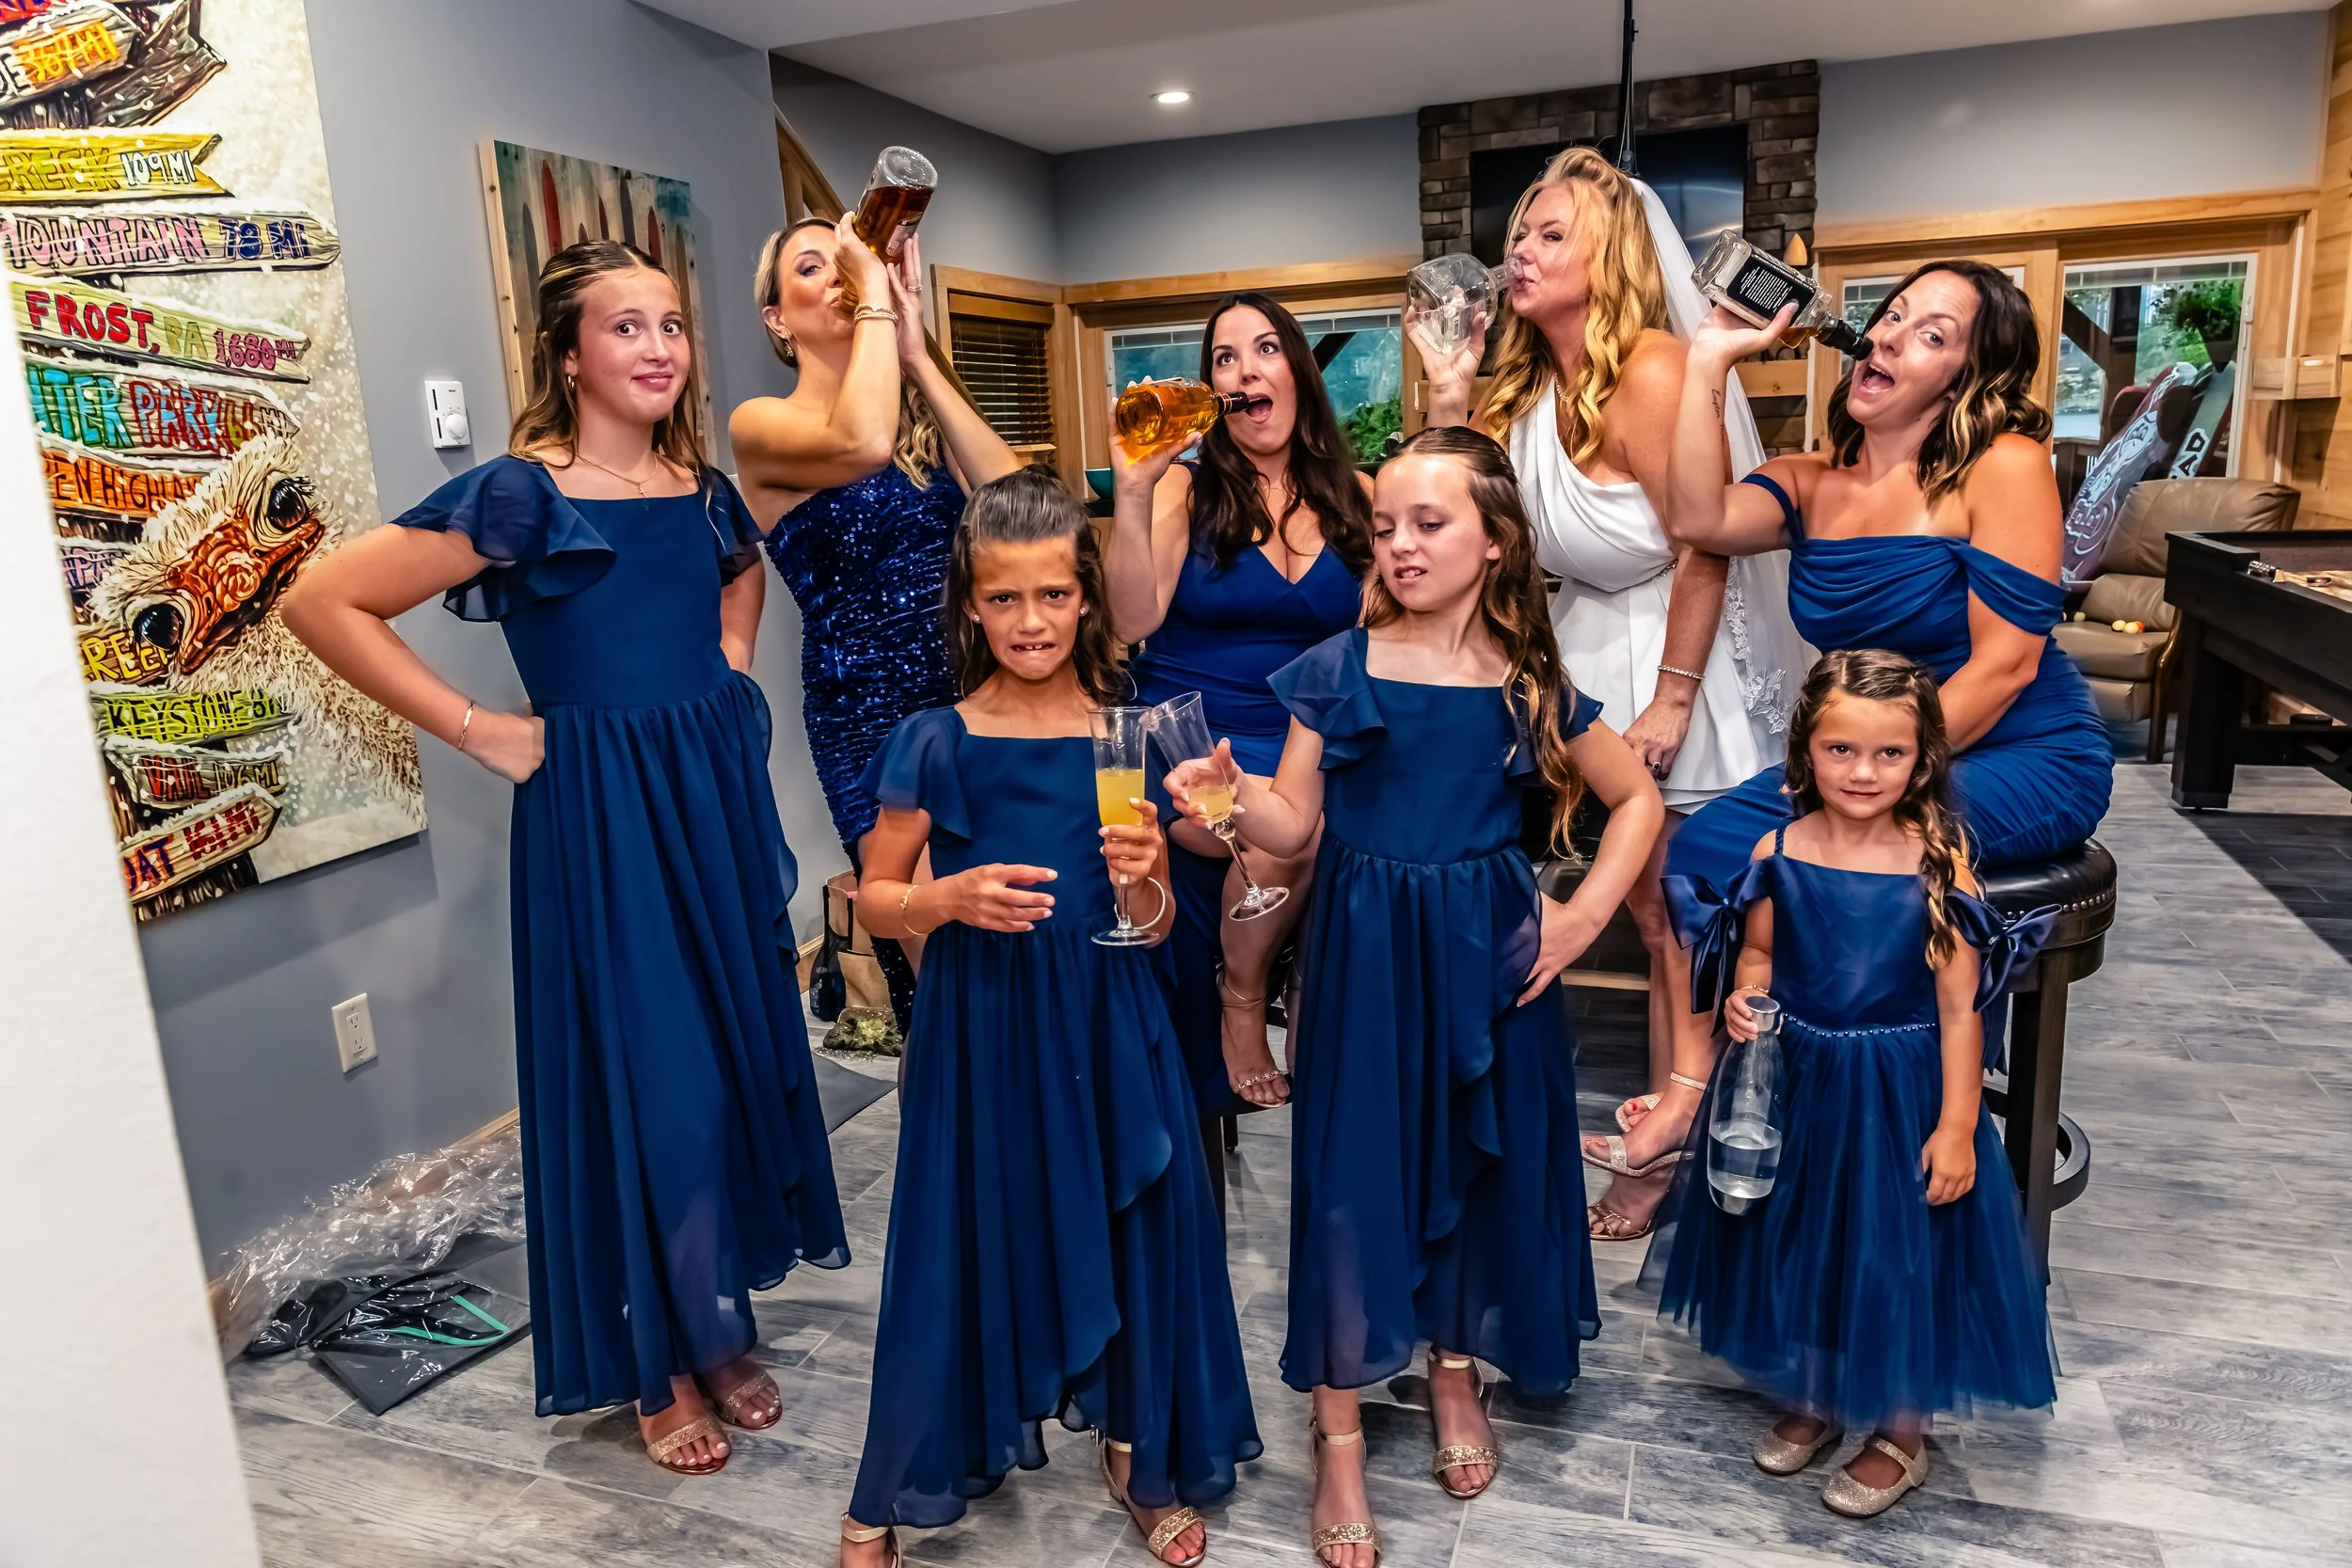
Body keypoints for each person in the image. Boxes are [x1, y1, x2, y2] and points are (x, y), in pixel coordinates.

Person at [281, 241, 846, 1476]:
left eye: (670, 326)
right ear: (568, 353)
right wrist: (479, 727)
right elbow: (322, 601)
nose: (656, 347)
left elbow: (741, 578)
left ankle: (717, 1319)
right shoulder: (520, 496)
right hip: (601, 817)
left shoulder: (699, 486)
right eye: (625, 326)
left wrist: (728, 669)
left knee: (740, 1059)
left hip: (709, 800)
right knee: (652, 1084)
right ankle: (655, 1362)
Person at [1170, 427, 1662, 1567]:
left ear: (1493, 542)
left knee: (1476, 1165)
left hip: (1492, 956)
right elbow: (1296, 828)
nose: (1396, 543)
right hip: (1365, 955)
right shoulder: (1339, 667)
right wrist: (1233, 799)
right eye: (1383, 524)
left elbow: (1635, 800)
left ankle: (1452, 1368)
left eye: (1426, 523)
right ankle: (1338, 1425)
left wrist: (1580, 918)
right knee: (1352, 1176)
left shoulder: (1530, 682)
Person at [1605, 261, 2114, 1237]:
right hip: (1861, 758)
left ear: (1969, 376)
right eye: (1889, 316)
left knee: (1856, 870)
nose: (1885, 335)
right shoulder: (1806, 479)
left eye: (1930, 332)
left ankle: (1890, 1120)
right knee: (1708, 858)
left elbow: (2003, 667)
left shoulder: (2001, 465)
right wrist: (1710, 358)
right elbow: (1696, 518)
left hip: (2016, 747)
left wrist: (1856, 795)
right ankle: (1725, 1094)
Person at [836, 468, 1260, 1568]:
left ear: (1085, 599)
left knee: (1139, 1229)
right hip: (985, 1028)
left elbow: (1156, 924)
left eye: (1052, 596)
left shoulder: (1127, 739)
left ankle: (1137, 1448)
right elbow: (871, 895)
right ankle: (894, 1477)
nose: (1031, 621)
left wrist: (1158, 867)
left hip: (1112, 1018)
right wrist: (940, 898)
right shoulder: (934, 738)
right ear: (970, 608)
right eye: (1004, 599)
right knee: (960, 1243)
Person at [1419, 148, 1808, 1243]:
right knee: (1644, 910)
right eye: (1518, 237)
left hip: (1678, 655)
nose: (1520, 253)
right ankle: (1666, 1125)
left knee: (1681, 904)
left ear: (1612, 252)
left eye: (1549, 234)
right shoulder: (1533, 384)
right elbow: (1469, 522)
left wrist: (1677, 695)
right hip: (1581, 651)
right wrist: (1449, 395)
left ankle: (1685, 1134)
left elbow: (1701, 543)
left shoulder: (1649, 369)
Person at [1650, 649, 2058, 1518]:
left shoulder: (1939, 861)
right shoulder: (1781, 846)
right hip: (1803, 1080)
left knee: (1894, 1254)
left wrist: (1955, 1124)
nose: (1863, 772)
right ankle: (1817, 1390)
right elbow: (1759, 953)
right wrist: (1744, 1002)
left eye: (1888, 754)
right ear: (1805, 752)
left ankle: (1901, 1431)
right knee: (1803, 1240)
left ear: (1923, 760)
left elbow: (1960, 1012)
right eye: (1841, 750)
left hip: (1900, 1086)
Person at [733, 214, 1023, 1023]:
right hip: (870, 722)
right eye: (813, 267)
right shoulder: (761, 427)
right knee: (952, 963)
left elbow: (1017, 509)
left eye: (849, 264)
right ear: (776, 318)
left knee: (1016, 937)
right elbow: (858, 439)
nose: (840, 277)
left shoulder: (917, 430)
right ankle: (959, 1131)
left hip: (979, 700)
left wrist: (916, 354)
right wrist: (875, 311)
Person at [1109, 292, 1373, 1134]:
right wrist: (1134, 488)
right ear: (1213, 388)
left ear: (1297, 370)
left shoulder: (1356, 494)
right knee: (1271, 832)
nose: (1245, 370)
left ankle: (1261, 992)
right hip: (1185, 737)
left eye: (1264, 350)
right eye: (1225, 358)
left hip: (1304, 734)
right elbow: (1129, 620)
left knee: (1305, 819)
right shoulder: (1186, 489)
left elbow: (1378, 626)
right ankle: (1241, 1000)